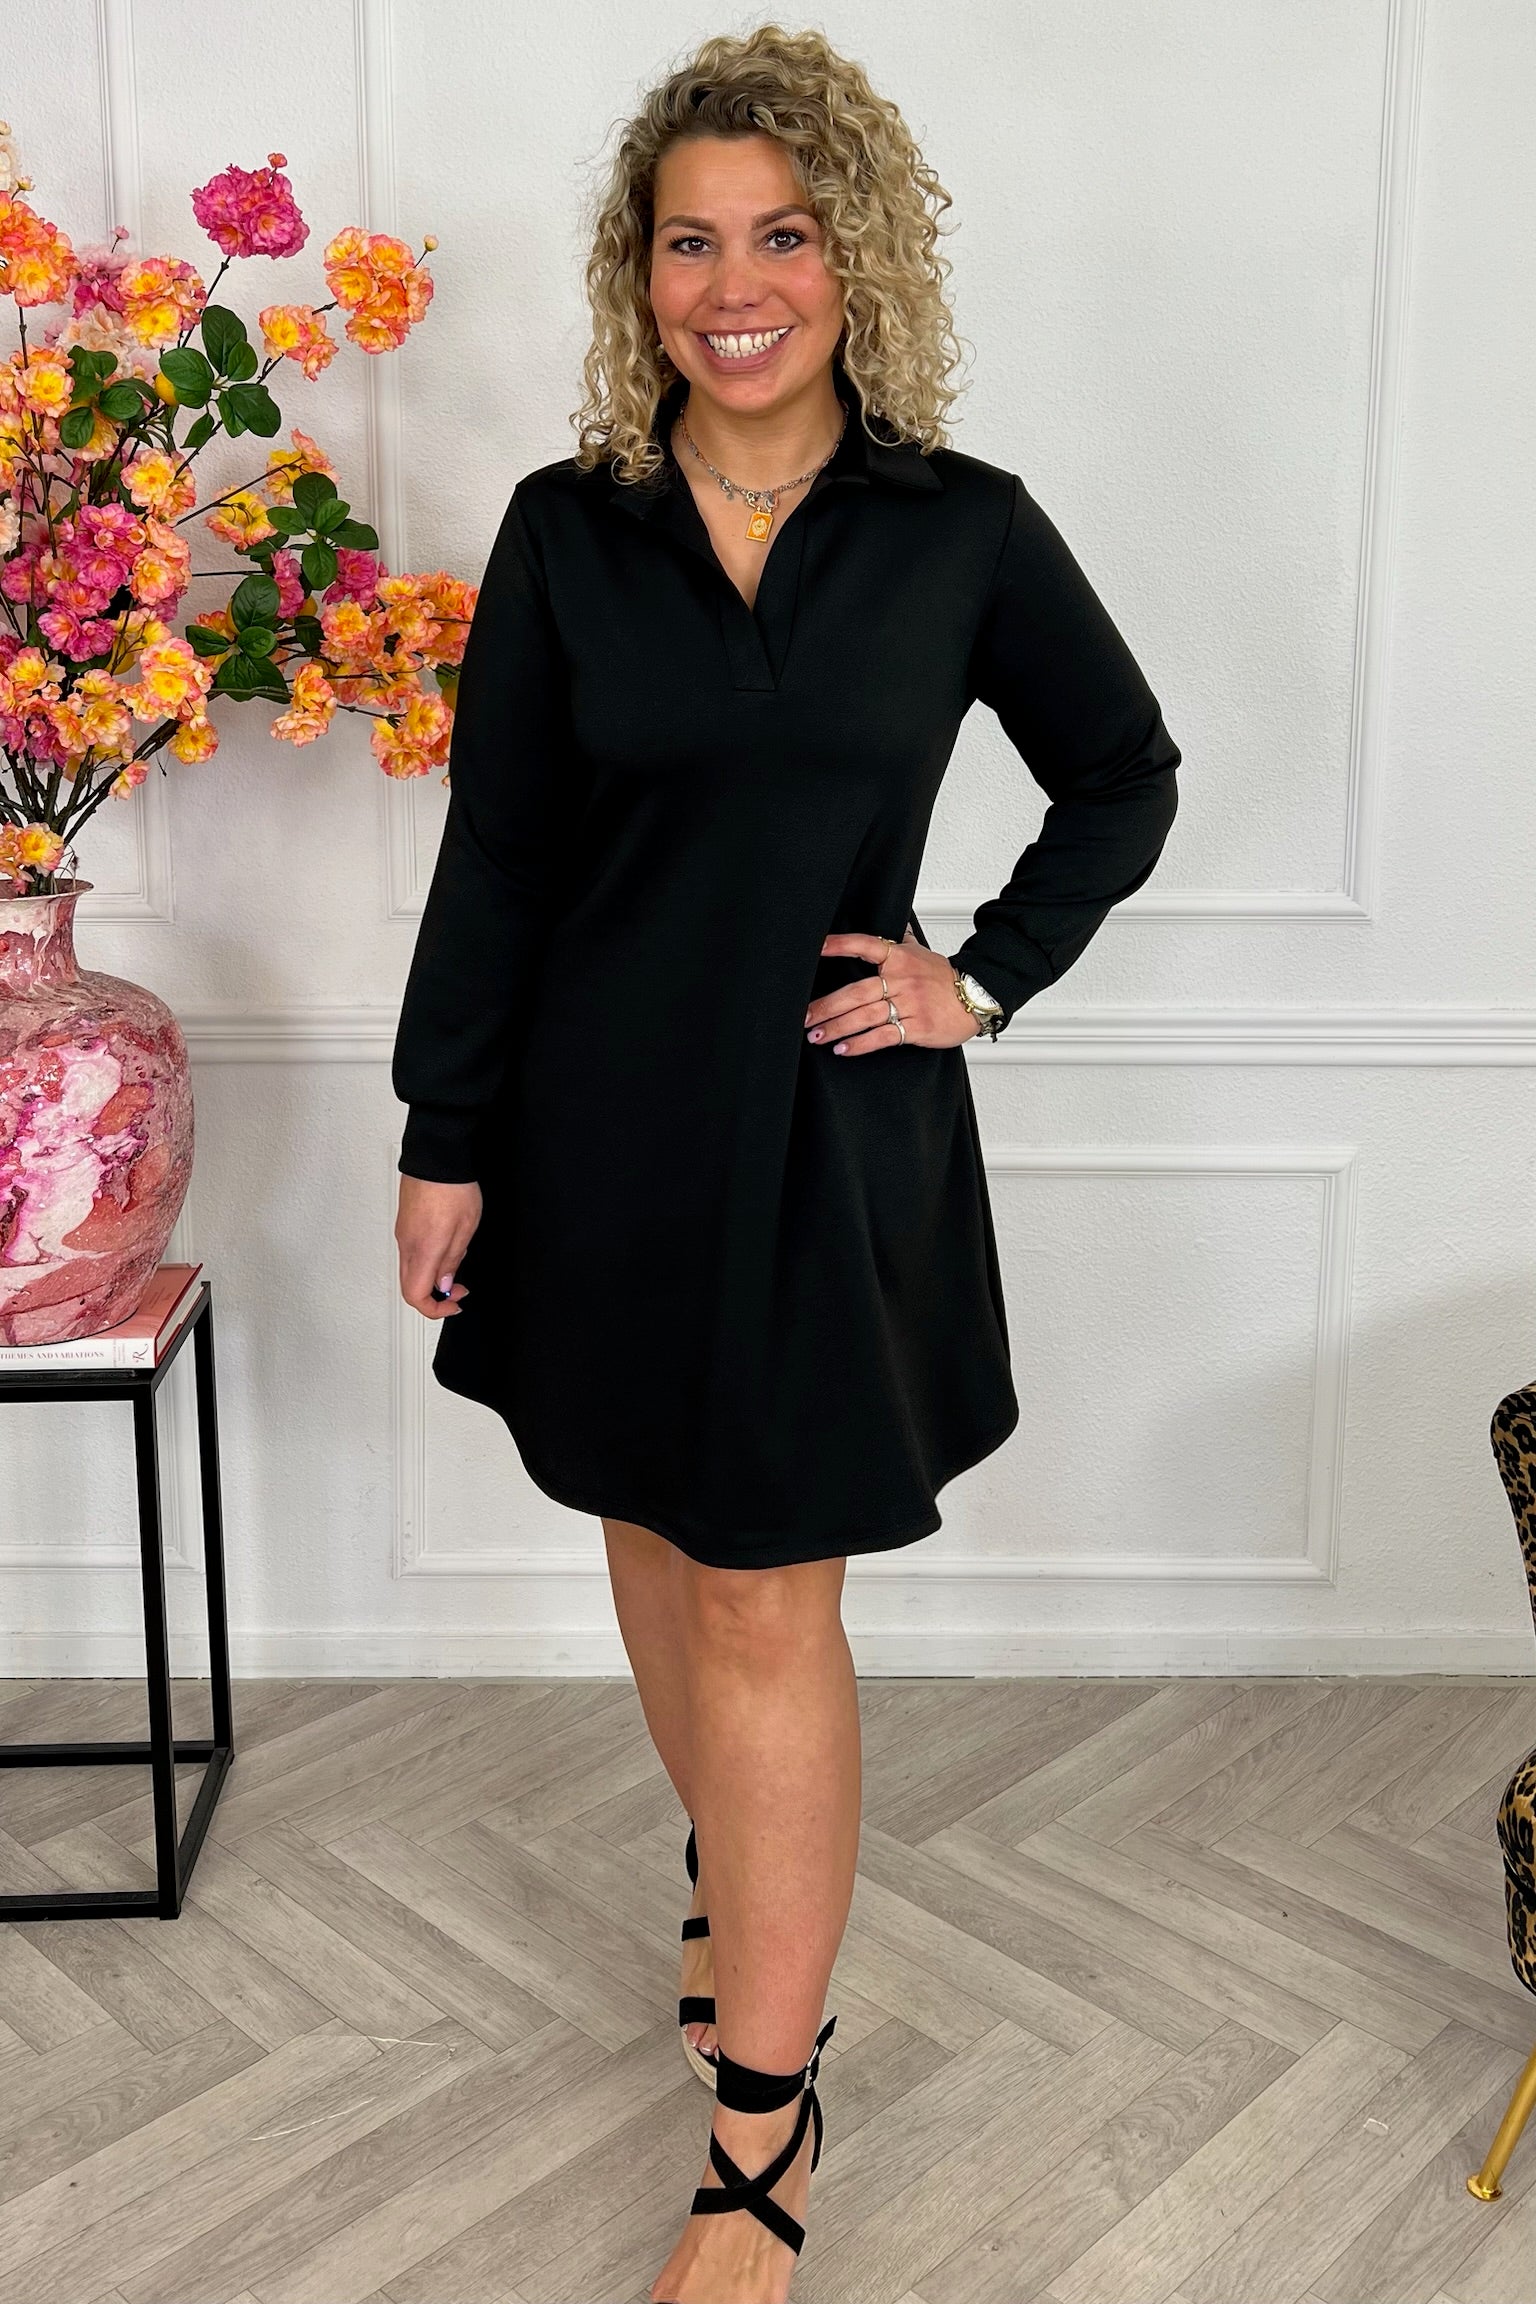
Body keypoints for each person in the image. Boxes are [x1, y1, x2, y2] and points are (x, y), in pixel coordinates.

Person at [390, 24, 1180, 2302]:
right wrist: (447, 1135)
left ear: (858, 259)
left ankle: (762, 2130)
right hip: (592, 1133)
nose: (734, 287)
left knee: (767, 1593)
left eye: (783, 236)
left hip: (829, 1138)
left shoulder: (963, 529)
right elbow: (503, 856)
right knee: (653, 1537)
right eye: (688, 244)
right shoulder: (570, 530)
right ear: (637, 277)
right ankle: (734, 1883)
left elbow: (1122, 773)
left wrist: (981, 978)